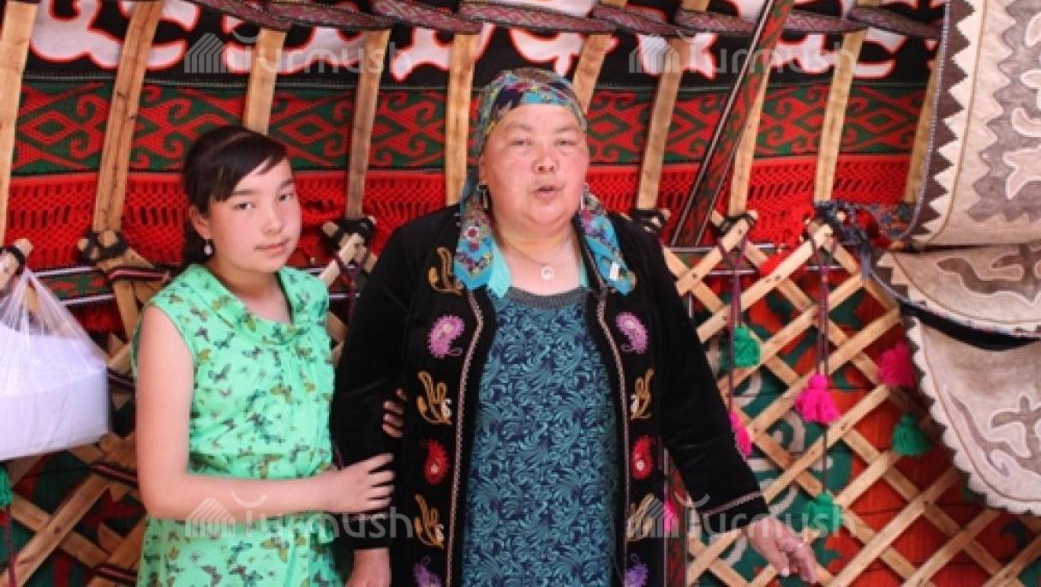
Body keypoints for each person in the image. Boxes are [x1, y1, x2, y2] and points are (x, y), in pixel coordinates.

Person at [331, 68, 817, 586]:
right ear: (483, 163)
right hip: (454, 562)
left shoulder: (630, 256)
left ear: (585, 159)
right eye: (521, 142)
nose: (547, 161)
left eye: (565, 141)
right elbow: (361, 402)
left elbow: (687, 397)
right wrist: (370, 551)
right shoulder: (423, 253)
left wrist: (751, 516)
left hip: (602, 563)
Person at [133, 126, 393, 585]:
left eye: (285, 196)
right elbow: (165, 492)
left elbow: (322, 424)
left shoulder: (307, 297)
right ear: (201, 221)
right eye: (244, 205)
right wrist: (322, 493)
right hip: (213, 570)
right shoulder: (176, 319)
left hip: (310, 565)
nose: (274, 222)